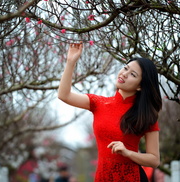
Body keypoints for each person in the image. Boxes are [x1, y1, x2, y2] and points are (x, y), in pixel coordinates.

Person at [58, 42, 162, 182]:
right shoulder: (99, 103)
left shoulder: (146, 115)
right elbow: (64, 95)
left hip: (132, 178)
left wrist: (128, 153)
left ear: (140, 86)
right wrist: (71, 62)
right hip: (103, 176)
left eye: (132, 74)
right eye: (125, 68)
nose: (124, 74)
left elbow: (154, 160)